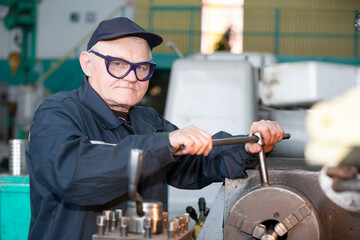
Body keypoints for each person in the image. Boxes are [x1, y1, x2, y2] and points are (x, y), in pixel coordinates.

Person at [26, 17, 285, 240]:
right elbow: (74, 176)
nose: (131, 77)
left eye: (141, 68)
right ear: (87, 64)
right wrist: (163, 145)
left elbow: (195, 164)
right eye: (117, 64)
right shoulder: (57, 114)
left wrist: (246, 147)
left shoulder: (148, 121)